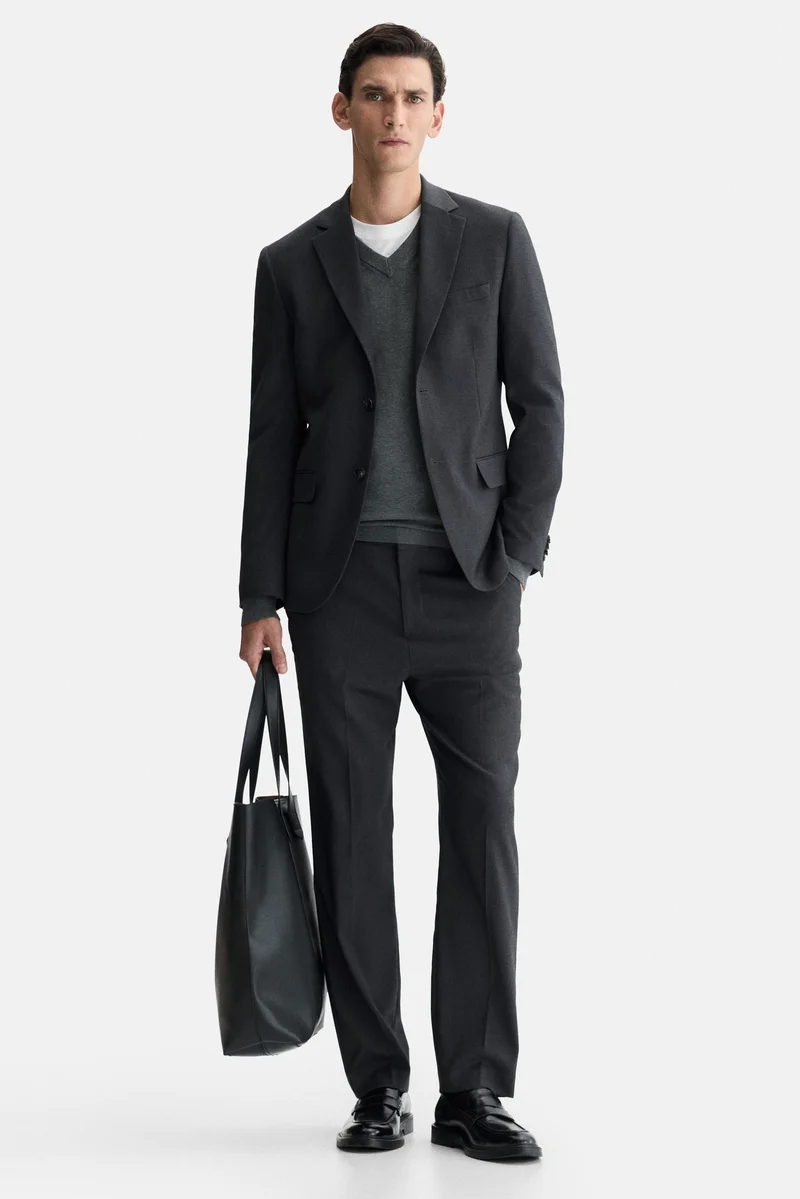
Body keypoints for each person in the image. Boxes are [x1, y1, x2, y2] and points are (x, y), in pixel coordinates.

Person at [237, 22, 564, 1162]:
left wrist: (514, 552)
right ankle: (378, 1083)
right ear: (342, 110)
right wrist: (259, 597)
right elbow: (269, 436)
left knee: (481, 828)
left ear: (438, 115)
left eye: (412, 97)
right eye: (373, 95)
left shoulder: (495, 240)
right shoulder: (291, 262)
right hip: (339, 592)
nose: (392, 114)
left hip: (469, 582)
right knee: (353, 832)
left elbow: (541, 403)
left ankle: (475, 1088)